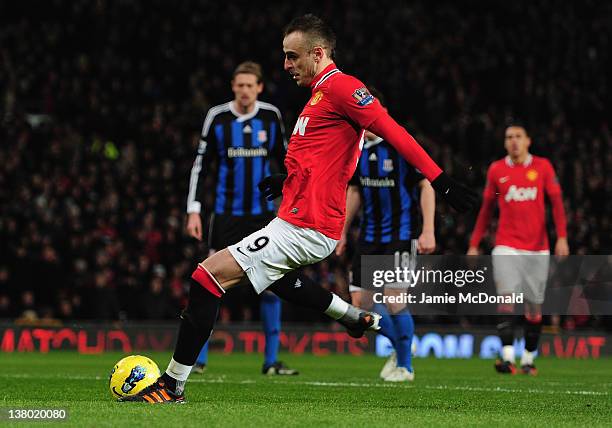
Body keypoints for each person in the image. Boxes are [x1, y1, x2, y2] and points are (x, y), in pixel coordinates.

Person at [121, 14, 476, 403]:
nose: (286, 65)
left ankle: (171, 386)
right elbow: (323, 157)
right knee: (272, 280)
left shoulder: (344, 88)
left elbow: (394, 132)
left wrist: (440, 180)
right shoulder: (320, 95)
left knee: (206, 279)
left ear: (318, 53)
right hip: (295, 216)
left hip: (308, 225)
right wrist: (288, 180)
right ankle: (351, 316)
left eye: (292, 57)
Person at [185, 61, 297, 376]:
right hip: (225, 215)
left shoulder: (270, 116)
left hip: (263, 215)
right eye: (240, 85)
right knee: (209, 280)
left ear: (259, 88)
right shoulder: (217, 118)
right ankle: (198, 359)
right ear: (233, 87)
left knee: (272, 284)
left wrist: (290, 205)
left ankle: (271, 361)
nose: (245, 91)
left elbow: (286, 164)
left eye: (250, 85)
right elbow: (201, 165)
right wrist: (194, 208)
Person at [335, 87, 436, 382]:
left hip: (400, 236)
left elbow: (425, 184)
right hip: (367, 238)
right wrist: (341, 232)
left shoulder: (401, 144)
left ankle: (405, 366)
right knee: (360, 308)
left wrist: (428, 229)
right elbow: (353, 191)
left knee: (394, 299)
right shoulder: (356, 150)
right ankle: (399, 345)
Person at [467, 124, 569, 375]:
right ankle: (507, 358)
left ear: (528, 141)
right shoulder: (497, 170)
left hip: (537, 248)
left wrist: (562, 238)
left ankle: (528, 360)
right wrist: (473, 243)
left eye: (518, 137)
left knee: (534, 308)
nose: (513, 141)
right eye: (509, 137)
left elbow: (556, 204)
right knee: (506, 297)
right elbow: (486, 210)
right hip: (506, 245)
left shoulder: (542, 167)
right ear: (505, 143)